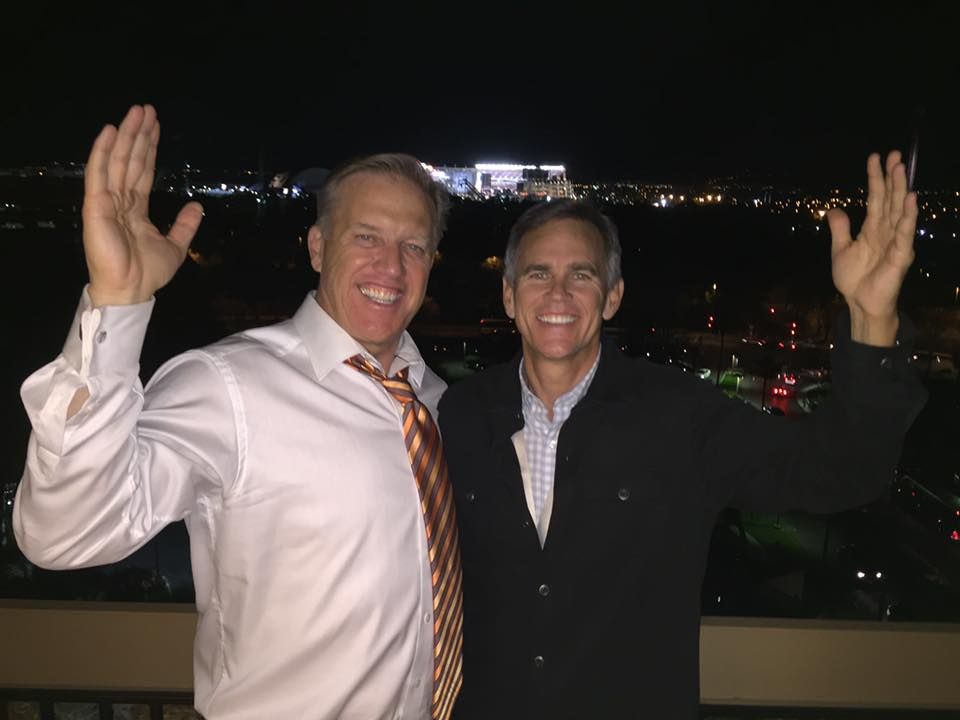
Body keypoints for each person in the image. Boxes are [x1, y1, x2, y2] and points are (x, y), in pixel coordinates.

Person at [437, 152, 927, 719]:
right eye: (538, 273)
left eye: (582, 274)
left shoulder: (681, 417)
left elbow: (841, 471)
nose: (558, 294)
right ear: (508, 294)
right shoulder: (463, 415)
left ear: (613, 296)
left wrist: (871, 323)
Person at [15, 105, 463, 720]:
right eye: (366, 236)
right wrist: (118, 303)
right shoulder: (229, 385)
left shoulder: (438, 404)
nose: (391, 266)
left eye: (413, 244)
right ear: (316, 245)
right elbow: (61, 535)